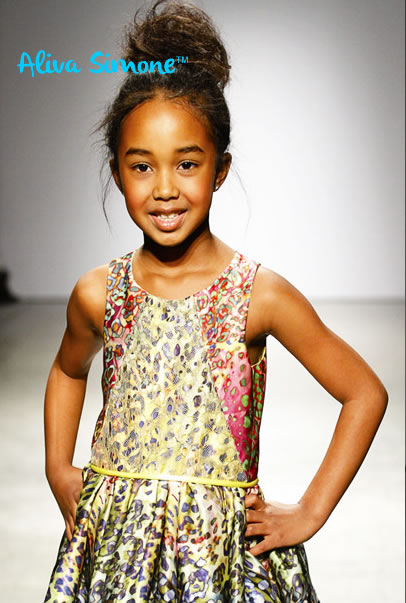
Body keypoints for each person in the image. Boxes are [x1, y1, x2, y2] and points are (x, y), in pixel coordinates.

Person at [43, 1, 388, 601]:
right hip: (117, 552)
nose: (165, 188)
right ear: (117, 172)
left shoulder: (258, 294)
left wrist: (310, 511)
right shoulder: (99, 292)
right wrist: (57, 466)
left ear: (220, 169)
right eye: (142, 167)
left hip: (221, 558)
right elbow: (69, 370)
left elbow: (364, 392)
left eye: (187, 163)